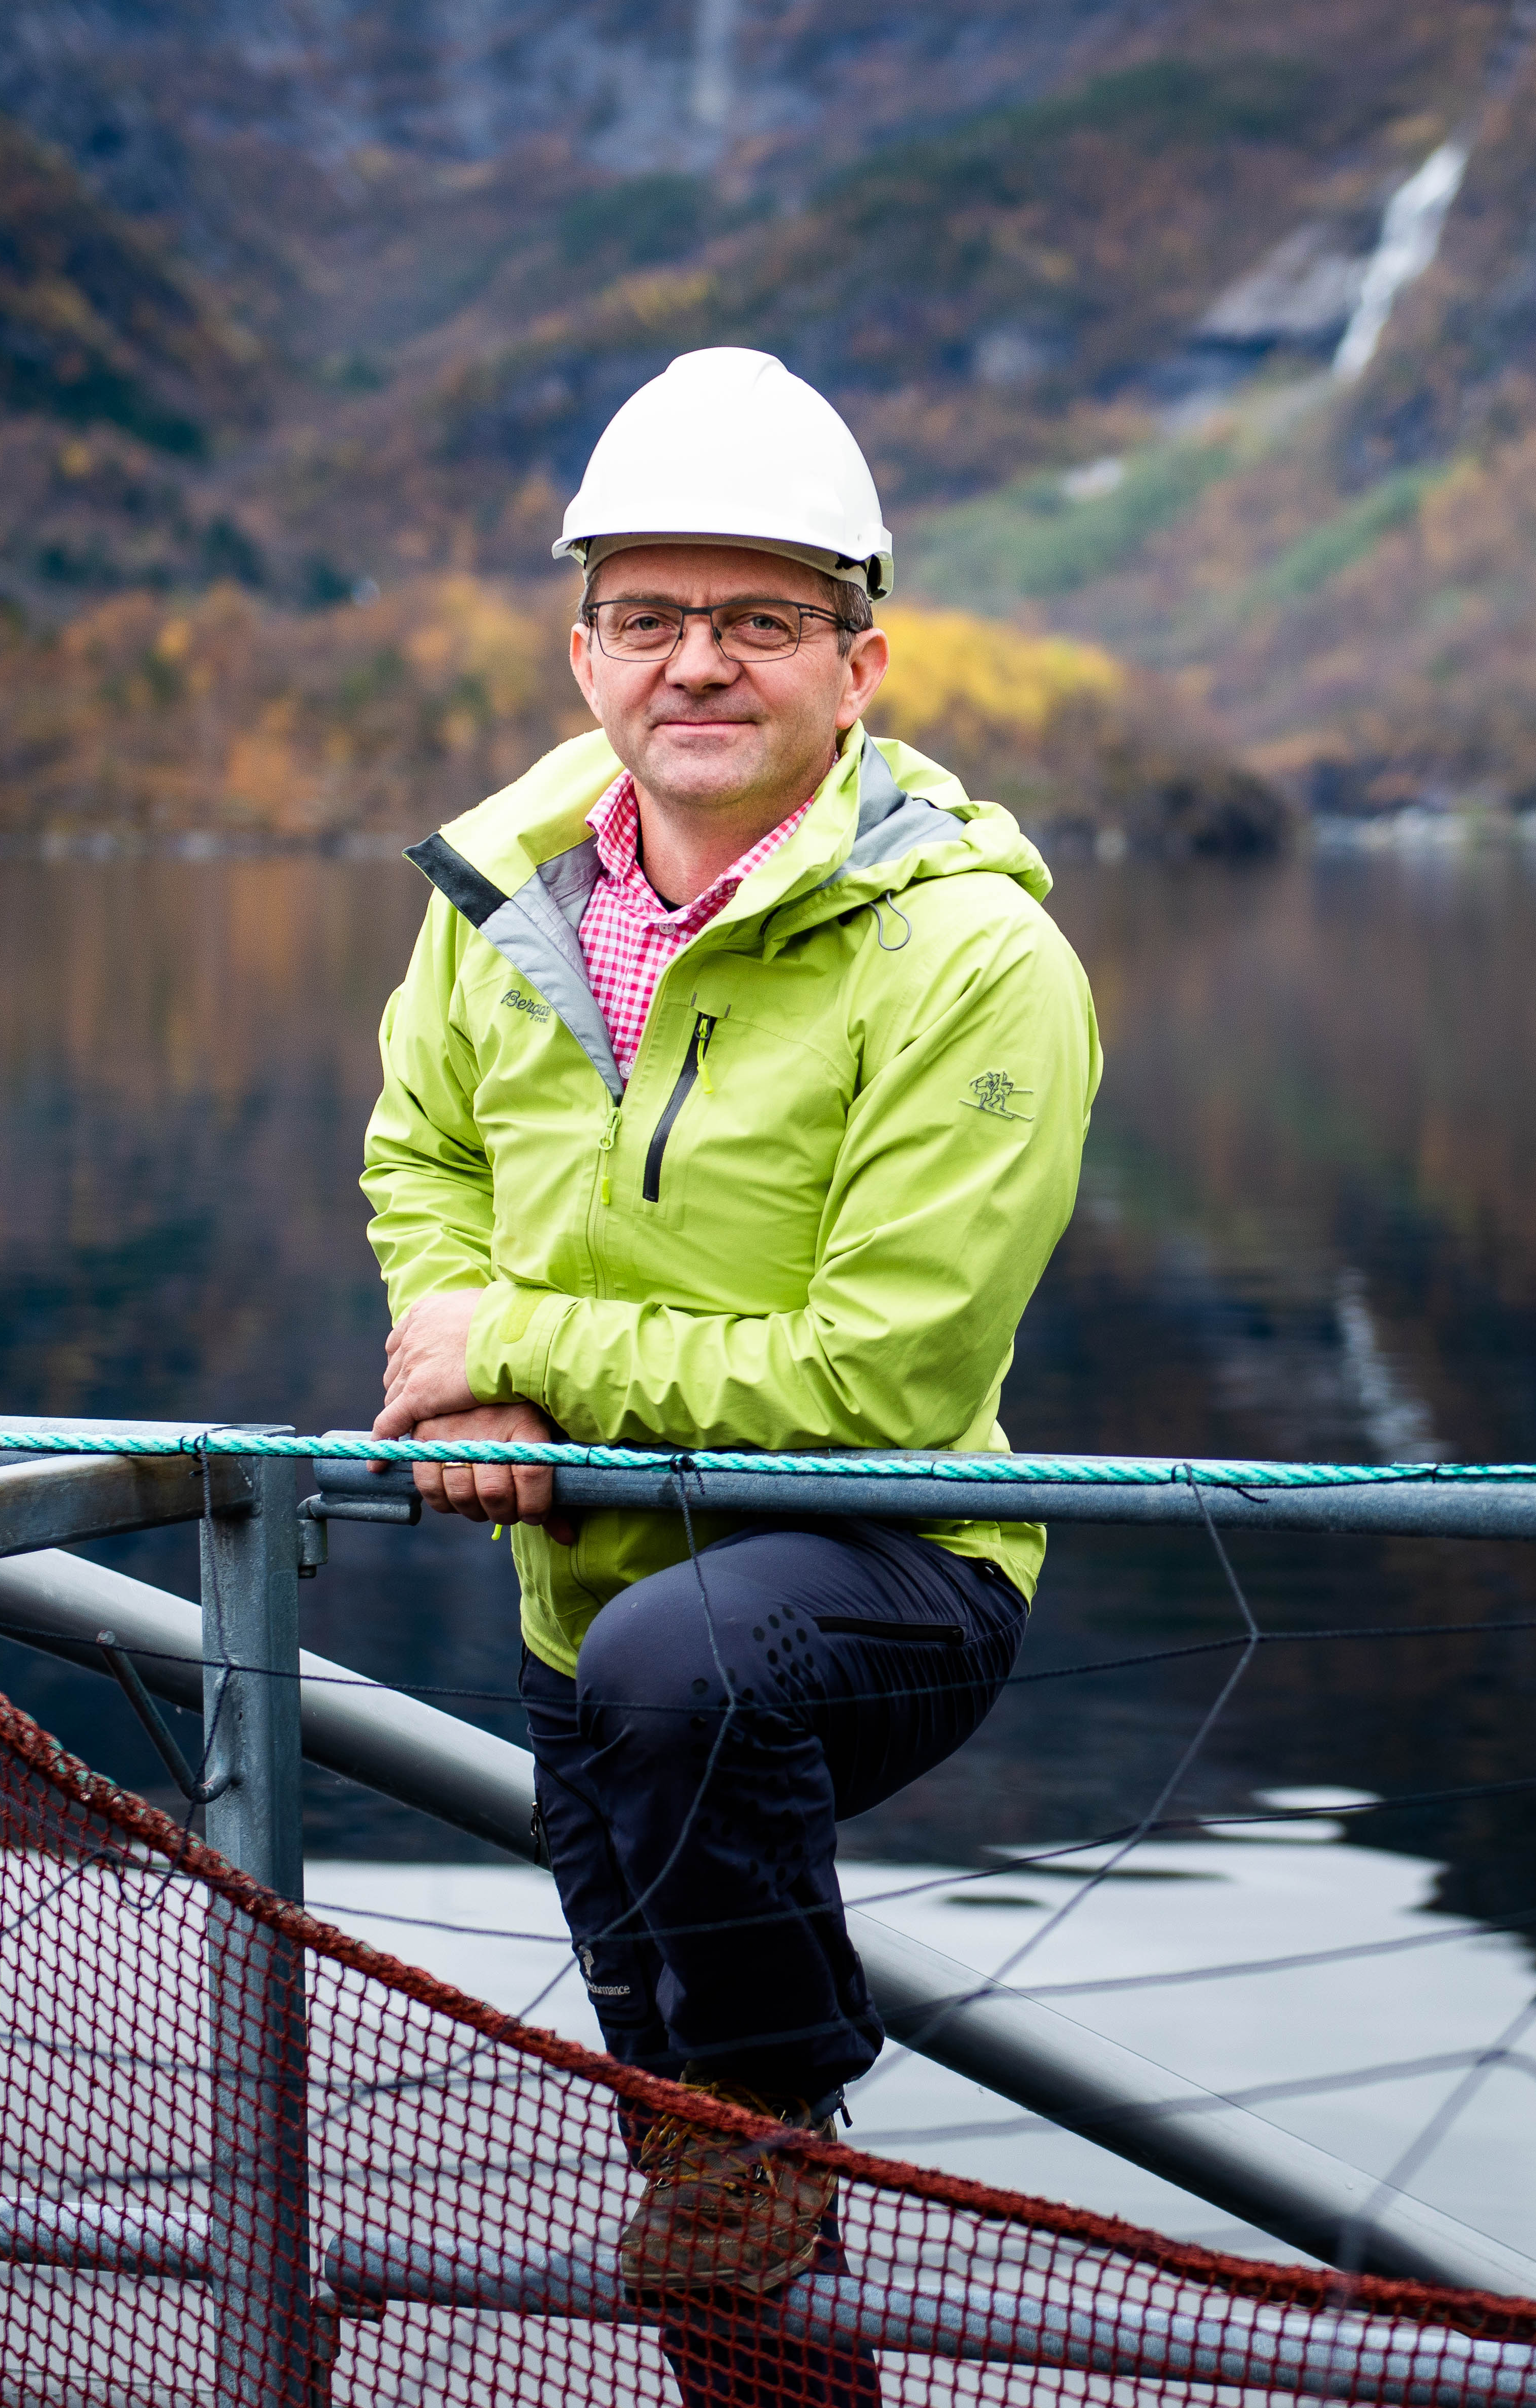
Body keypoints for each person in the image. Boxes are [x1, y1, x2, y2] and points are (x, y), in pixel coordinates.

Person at [360, 349, 1101, 2318]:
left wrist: (517, 1334)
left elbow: (885, 1382)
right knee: (700, 2208)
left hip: (888, 1566)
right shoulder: (497, 902)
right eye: (650, 616)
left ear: (861, 664)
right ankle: (760, 2241)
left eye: (762, 618)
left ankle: (779, 2126)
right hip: (572, 1603)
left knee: (691, 1743)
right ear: (583, 652)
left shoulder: (971, 953)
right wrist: (476, 1351)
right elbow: (418, 1155)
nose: (699, 661)